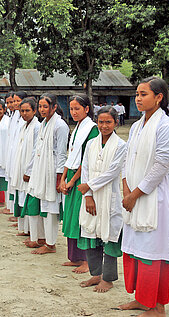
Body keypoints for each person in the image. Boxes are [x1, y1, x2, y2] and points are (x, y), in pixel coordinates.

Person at [117, 77, 169, 316]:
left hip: (155, 198)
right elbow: (127, 159)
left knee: (154, 250)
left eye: (144, 94)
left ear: (159, 97)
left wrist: (135, 193)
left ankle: (158, 306)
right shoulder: (136, 126)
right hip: (133, 196)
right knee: (136, 248)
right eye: (137, 94)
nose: (138, 98)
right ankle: (142, 299)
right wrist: (126, 187)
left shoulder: (167, 127)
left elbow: (161, 166)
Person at [77, 106, 126, 293]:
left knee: (109, 236)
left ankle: (108, 278)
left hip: (109, 196)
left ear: (116, 123)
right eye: (101, 122)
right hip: (91, 196)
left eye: (108, 122)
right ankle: (95, 274)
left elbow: (112, 172)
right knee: (90, 234)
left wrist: (89, 186)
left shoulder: (121, 145)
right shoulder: (91, 144)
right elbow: (86, 169)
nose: (104, 126)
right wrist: (88, 196)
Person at [23, 93, 69, 254]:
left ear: (54, 107)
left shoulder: (60, 126)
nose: (42, 110)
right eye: (40, 106)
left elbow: (62, 153)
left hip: (52, 171)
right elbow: (38, 149)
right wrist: (30, 170)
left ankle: (51, 244)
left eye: (45, 106)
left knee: (51, 207)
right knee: (42, 204)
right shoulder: (44, 124)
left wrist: (59, 178)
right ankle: (42, 239)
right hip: (41, 169)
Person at [60, 95, 98, 273]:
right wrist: (63, 178)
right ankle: (75, 257)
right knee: (70, 218)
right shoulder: (76, 129)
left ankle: (86, 260)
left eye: (77, 109)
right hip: (72, 178)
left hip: (82, 180)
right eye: (71, 109)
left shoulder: (92, 130)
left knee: (81, 218)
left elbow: (87, 161)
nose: (73, 112)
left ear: (87, 109)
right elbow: (71, 155)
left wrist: (72, 180)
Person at [10, 97, 40, 238]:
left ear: (34, 111)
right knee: (21, 198)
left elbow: (35, 151)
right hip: (20, 166)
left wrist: (29, 170)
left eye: (27, 110)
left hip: (30, 169)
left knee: (28, 198)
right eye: (22, 111)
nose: (24, 114)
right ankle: (26, 229)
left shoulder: (37, 127)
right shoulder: (23, 126)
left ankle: (32, 233)